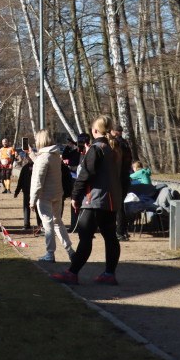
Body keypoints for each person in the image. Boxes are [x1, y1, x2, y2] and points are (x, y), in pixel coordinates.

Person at [52, 116, 131, 286]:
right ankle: (109, 273)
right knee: (110, 236)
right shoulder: (119, 148)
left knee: (85, 237)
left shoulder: (97, 148)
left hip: (95, 200)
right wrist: (120, 196)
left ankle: (72, 273)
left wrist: (75, 196)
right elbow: (126, 177)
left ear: (94, 131)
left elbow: (85, 174)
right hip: (112, 201)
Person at [30, 129, 75, 263]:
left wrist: (32, 200)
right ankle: (70, 250)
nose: (36, 142)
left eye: (37, 140)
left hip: (45, 196)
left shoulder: (43, 158)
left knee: (48, 224)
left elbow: (38, 180)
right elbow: (42, 165)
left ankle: (50, 253)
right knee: (58, 222)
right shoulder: (54, 155)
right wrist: (31, 155)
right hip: (57, 194)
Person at [110, 124, 134, 241]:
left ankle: (119, 231)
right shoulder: (126, 144)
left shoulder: (116, 145)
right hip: (126, 178)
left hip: (118, 179)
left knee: (118, 206)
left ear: (114, 132)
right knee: (122, 206)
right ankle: (123, 230)